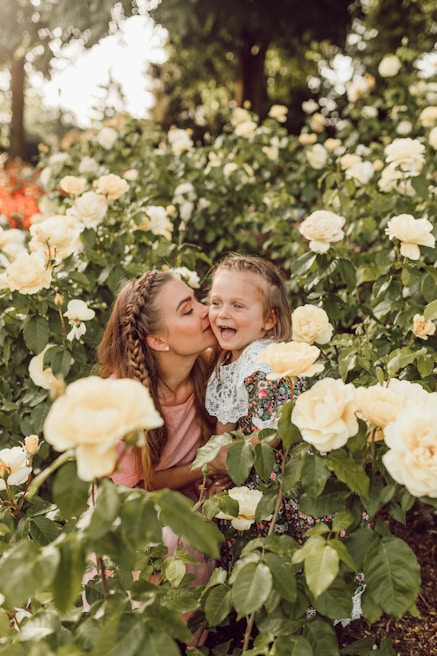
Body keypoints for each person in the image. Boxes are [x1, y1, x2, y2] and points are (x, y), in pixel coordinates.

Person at [88, 269, 231, 645]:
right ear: (157, 340)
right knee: (169, 538)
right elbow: (140, 485)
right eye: (187, 310)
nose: (206, 311)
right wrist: (208, 466)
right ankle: (160, 637)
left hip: (189, 494)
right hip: (134, 507)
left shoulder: (211, 369)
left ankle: (194, 632)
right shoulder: (124, 400)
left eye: (199, 300)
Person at [205, 254, 307, 568]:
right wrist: (217, 466)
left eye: (238, 306)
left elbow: (269, 438)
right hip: (246, 467)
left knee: (278, 546)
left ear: (269, 320)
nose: (223, 314)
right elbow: (224, 429)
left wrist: (223, 464)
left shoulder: (265, 363)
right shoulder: (229, 361)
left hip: (276, 475)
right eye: (216, 302)